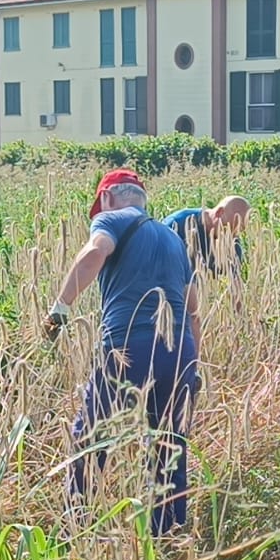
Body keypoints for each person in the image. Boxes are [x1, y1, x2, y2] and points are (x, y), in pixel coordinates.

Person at [50, 169, 201, 536]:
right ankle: (167, 534)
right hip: (180, 352)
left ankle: (77, 527)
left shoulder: (112, 219)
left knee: (91, 437)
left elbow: (96, 251)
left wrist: (60, 308)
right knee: (169, 445)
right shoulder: (172, 237)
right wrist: (193, 364)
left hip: (127, 349)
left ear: (107, 198)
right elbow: (193, 307)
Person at [162, 195, 249, 277]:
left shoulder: (233, 243)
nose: (231, 236)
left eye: (237, 231)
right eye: (228, 229)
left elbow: (234, 281)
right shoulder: (176, 225)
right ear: (219, 213)